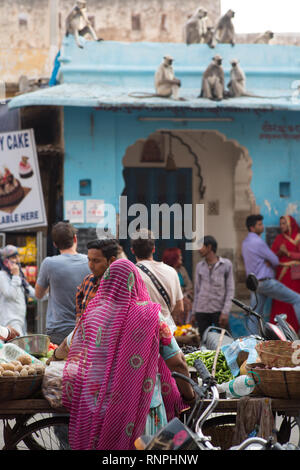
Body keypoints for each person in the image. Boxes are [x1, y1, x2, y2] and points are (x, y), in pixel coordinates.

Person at [61, 259, 195, 450]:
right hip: (143, 408)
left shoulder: (94, 314)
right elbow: (178, 362)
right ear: (136, 282)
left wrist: (52, 357)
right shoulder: (150, 316)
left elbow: (68, 345)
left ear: (107, 282)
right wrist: (189, 396)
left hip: (98, 405)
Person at [242, 214, 300, 335]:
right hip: (265, 282)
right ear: (252, 228)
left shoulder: (245, 243)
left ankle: (252, 342)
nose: (262, 226)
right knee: (297, 299)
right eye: (259, 224)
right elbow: (274, 260)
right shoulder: (258, 242)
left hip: (255, 283)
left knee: (255, 314)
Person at [35, 221, 91, 345]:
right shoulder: (89, 261)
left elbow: (38, 294)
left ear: (55, 244)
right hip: (85, 329)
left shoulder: (49, 263)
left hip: (57, 330)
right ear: (75, 238)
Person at [130, 229, 184, 331]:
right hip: (167, 331)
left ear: (132, 250)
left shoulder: (131, 274)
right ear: (154, 249)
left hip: (142, 332)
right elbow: (180, 308)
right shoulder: (171, 271)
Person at [191, 235, 234, 337]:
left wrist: (225, 311)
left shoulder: (226, 264)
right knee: (203, 341)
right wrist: (194, 313)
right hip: (201, 310)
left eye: (201, 246)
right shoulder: (199, 266)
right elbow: (197, 290)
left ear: (209, 247)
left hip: (218, 310)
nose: (199, 250)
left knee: (226, 340)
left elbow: (230, 289)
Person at [75, 238, 119, 323]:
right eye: (89, 260)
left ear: (111, 261)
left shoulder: (117, 286)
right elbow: (79, 295)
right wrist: (79, 316)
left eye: (96, 261)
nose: (91, 265)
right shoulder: (88, 280)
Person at [270, 215, 300, 332]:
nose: (281, 226)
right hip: (281, 274)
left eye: (284, 223)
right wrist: (279, 252)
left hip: (295, 273)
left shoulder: (298, 237)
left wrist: (287, 253)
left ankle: (293, 330)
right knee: (280, 301)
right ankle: (278, 331)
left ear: (290, 224)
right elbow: (272, 256)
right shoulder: (279, 238)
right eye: (280, 223)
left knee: (294, 300)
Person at [0, 245, 36, 336]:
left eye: (17, 257)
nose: (17, 260)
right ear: (5, 261)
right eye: (13, 257)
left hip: (21, 321)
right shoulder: (2, 276)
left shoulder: (19, 276)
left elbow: (32, 293)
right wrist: (15, 276)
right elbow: (11, 295)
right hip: (10, 322)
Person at [162, 247, 193, 324]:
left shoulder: (182, 269)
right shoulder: (165, 271)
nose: (181, 258)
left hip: (184, 298)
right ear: (173, 258)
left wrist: (184, 294)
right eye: (179, 256)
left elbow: (189, 285)